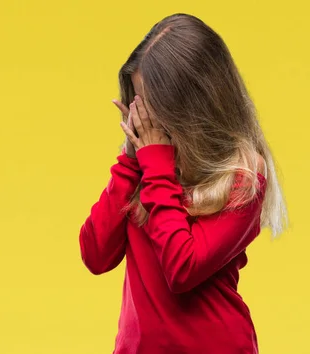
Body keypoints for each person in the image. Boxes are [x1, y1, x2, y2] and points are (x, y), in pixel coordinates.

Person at [78, 13, 288, 353]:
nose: (141, 115)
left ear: (191, 104)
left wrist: (154, 164)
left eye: (151, 104)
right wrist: (130, 162)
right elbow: (95, 255)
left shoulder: (244, 174)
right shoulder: (147, 159)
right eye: (136, 101)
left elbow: (182, 268)